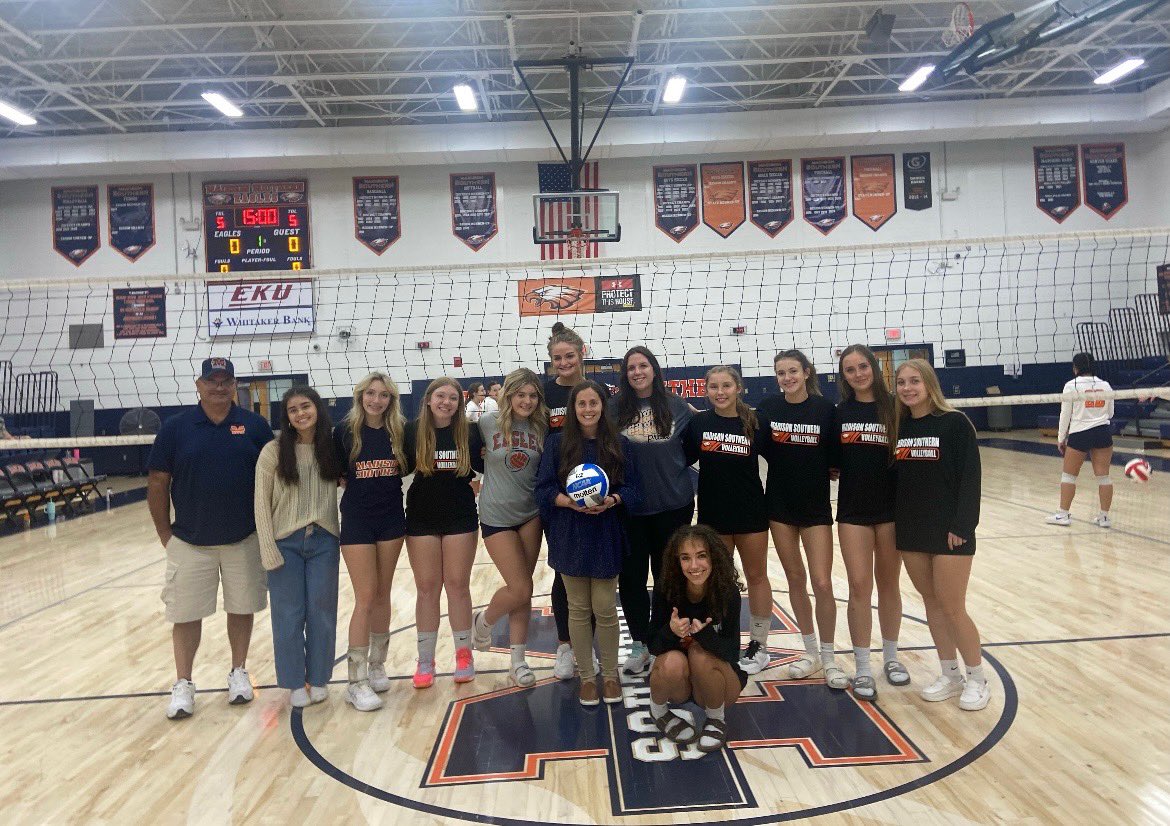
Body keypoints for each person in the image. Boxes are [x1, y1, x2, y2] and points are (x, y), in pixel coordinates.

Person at [147, 357, 273, 720]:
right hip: (189, 541)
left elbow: (274, 478)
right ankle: (183, 683)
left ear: (235, 387)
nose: (219, 387)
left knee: (242, 607)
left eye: (225, 381)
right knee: (185, 616)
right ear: (198, 385)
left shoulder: (254, 426)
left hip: (243, 538)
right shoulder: (176, 428)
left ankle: (238, 672)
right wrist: (165, 534)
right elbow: (158, 481)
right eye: (212, 381)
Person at [535, 380, 641, 706]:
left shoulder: (619, 444)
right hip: (570, 533)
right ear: (573, 408)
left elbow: (635, 491)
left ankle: (610, 675)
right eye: (581, 404)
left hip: (606, 531)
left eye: (593, 402)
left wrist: (612, 500)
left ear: (603, 405)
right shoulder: (556, 444)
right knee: (578, 610)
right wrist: (568, 502)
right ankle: (587, 677)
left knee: (606, 608)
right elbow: (543, 490)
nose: (588, 409)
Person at [894, 359, 989, 711]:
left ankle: (978, 678)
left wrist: (963, 527)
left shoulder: (955, 424)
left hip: (951, 532)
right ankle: (951, 674)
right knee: (932, 604)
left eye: (914, 381)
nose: (907, 388)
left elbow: (971, 480)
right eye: (901, 382)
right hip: (912, 529)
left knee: (952, 607)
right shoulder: (899, 427)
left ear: (929, 383)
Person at [756, 350, 845, 688]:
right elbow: (757, 443)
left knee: (822, 582)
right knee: (795, 579)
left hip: (815, 508)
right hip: (779, 506)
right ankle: (810, 654)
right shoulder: (768, 408)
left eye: (793, 371)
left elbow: (835, 455)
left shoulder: (826, 410)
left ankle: (830, 659)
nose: (787, 377)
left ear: (807, 372)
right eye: (781, 373)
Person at [254, 386, 343, 708]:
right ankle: (293, 682)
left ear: (317, 409)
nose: (301, 413)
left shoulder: (331, 447)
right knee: (288, 616)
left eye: (306, 406)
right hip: (284, 543)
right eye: (293, 410)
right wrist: (268, 548)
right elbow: (261, 503)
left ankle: (319, 678)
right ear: (287, 417)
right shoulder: (273, 451)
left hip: (324, 540)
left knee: (322, 613)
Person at [609, 346, 695, 675]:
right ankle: (638, 643)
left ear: (654, 369)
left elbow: (689, 451)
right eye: (631, 367)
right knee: (631, 578)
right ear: (625, 374)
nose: (637, 372)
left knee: (666, 578)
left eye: (643, 365)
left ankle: (662, 640)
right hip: (629, 508)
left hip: (673, 505)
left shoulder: (676, 407)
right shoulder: (614, 410)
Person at [682, 366, 770, 675]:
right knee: (719, 579)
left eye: (726, 386)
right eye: (714, 387)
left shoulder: (755, 423)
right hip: (713, 514)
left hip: (750, 511)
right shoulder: (699, 424)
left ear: (739, 388)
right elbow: (679, 459)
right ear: (706, 391)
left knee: (757, 576)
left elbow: (783, 460)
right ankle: (720, 634)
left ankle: (759, 643)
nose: (720, 392)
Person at [332, 372, 408, 711]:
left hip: (392, 519)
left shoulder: (399, 432)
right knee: (364, 596)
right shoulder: (344, 432)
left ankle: (378, 664)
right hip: (358, 522)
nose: (376, 400)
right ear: (360, 396)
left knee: (382, 593)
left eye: (383, 395)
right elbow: (335, 473)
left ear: (391, 400)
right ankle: (355, 681)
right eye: (371, 394)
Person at [835, 345, 907, 700]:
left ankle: (891, 658)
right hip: (853, 512)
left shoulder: (896, 406)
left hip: (892, 510)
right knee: (859, 587)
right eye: (850, 369)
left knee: (889, 584)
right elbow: (831, 462)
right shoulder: (839, 413)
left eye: (863, 366)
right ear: (843, 376)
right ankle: (863, 667)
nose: (858, 373)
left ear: (874, 368)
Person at [403, 377, 485, 688]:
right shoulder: (412, 432)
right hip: (422, 516)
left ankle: (464, 654)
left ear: (459, 403)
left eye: (453, 398)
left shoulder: (470, 432)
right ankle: (425, 660)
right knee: (426, 588)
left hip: (460, 515)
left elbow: (489, 465)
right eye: (441, 396)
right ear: (428, 399)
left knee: (457, 585)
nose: (446, 402)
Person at [472, 368, 548, 687]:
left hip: (530, 513)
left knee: (525, 588)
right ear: (509, 395)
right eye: (521, 395)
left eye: (532, 396)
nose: (527, 401)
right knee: (518, 587)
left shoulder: (542, 427)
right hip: (496, 514)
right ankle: (484, 622)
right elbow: (466, 455)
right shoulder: (486, 423)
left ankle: (517, 662)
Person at [648, 525, 746, 753]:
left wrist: (704, 635)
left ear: (714, 558)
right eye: (685, 558)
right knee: (671, 661)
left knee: (699, 654)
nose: (694, 566)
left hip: (714, 683)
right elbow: (652, 646)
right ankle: (659, 712)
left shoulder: (727, 592)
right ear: (677, 561)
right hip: (679, 684)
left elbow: (732, 653)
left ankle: (715, 719)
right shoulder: (667, 588)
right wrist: (671, 631)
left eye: (701, 556)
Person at [544, 322, 589, 679]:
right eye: (557, 358)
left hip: (596, 493)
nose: (564, 362)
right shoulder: (544, 396)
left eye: (569, 356)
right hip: (558, 497)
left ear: (582, 353)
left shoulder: (596, 390)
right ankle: (565, 646)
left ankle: (590, 643)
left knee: (596, 569)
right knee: (564, 571)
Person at [1047, 352, 1115, 528]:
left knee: (1069, 475)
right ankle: (1104, 517)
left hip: (1080, 433)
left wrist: (1061, 438)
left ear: (1075, 367)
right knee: (1104, 477)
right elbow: (1111, 413)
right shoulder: (1106, 385)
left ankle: (1063, 514)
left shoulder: (1072, 386)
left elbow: (1065, 415)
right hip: (1102, 431)